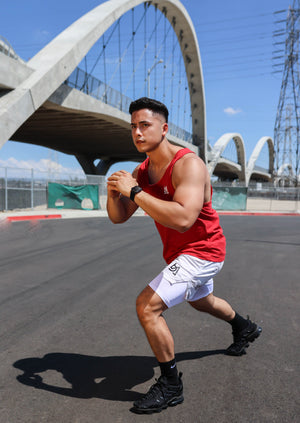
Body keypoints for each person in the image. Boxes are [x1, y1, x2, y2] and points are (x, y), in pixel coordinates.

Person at [106, 97, 262, 414]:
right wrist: (114, 193)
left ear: (164, 129)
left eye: (144, 125)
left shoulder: (188, 165)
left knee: (147, 307)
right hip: (180, 254)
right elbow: (119, 217)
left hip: (204, 250)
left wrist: (134, 191)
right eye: (133, 126)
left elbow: (182, 218)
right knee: (200, 300)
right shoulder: (142, 170)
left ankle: (171, 385)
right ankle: (244, 327)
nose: (137, 132)